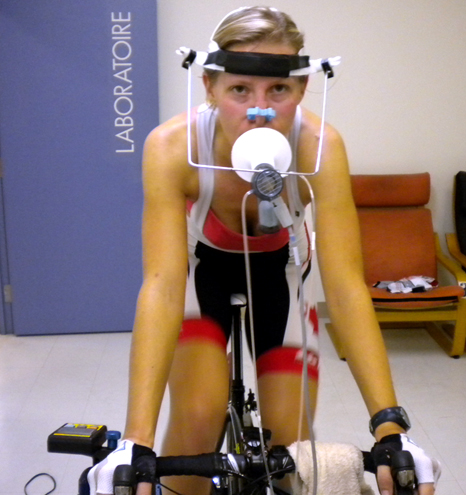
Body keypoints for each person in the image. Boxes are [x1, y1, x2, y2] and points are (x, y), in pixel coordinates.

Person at [89, 6, 439, 495]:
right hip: (201, 274)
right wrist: (135, 441)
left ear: (302, 88)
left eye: (278, 89)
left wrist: (390, 427)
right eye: (239, 89)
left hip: (282, 274)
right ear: (209, 87)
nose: (260, 111)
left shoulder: (320, 146)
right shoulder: (172, 146)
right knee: (197, 417)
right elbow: (163, 285)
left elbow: (344, 286)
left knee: (291, 452)